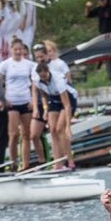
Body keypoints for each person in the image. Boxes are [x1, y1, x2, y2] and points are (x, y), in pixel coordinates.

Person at [0, 38, 40, 170]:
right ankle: (13, 163)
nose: (18, 52)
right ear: (11, 50)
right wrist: (3, 97)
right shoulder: (5, 64)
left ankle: (25, 163)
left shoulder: (29, 64)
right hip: (12, 101)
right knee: (14, 134)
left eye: (20, 49)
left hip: (25, 100)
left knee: (26, 134)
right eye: (15, 49)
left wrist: (32, 100)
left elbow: (34, 82)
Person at [40, 40, 77, 168]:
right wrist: (45, 109)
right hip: (53, 97)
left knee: (60, 129)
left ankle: (69, 160)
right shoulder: (39, 71)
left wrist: (68, 126)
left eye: (50, 51)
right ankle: (57, 163)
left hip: (64, 94)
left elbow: (68, 82)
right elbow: (42, 94)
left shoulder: (60, 64)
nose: (48, 54)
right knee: (53, 130)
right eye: (46, 52)